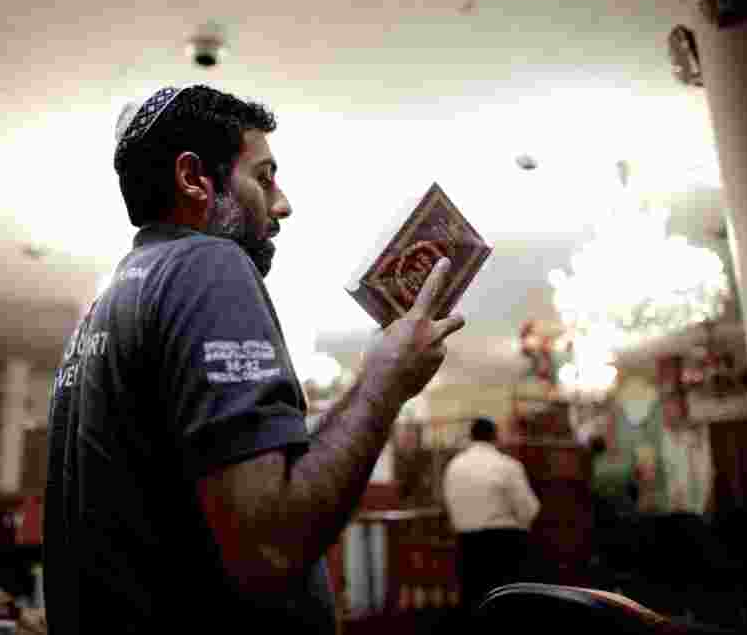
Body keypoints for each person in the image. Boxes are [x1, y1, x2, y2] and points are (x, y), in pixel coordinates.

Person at [43, 84, 468, 634]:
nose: (283, 203)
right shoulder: (206, 264)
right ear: (194, 178)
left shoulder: (105, 305)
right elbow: (269, 546)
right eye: (263, 177)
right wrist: (385, 385)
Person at [442, 416, 540, 619]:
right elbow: (529, 509)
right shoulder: (507, 466)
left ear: (471, 437)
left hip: (467, 543)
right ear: (496, 437)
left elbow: (450, 506)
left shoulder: (454, 466)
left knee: (473, 602)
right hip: (504, 544)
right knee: (506, 605)